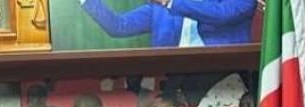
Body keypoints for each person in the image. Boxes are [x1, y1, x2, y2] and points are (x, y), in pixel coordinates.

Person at [76, 0, 256, 48]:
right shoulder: (160, 8)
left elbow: (222, 15)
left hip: (222, 73)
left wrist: (172, 2)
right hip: (172, 77)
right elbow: (118, 26)